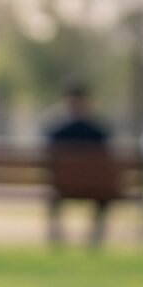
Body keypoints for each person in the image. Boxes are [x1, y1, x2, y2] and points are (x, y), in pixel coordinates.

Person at [44, 83, 112, 246]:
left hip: (62, 188)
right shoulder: (99, 132)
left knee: (54, 198)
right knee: (103, 198)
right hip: (96, 189)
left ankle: (57, 239)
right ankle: (95, 239)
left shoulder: (57, 132)